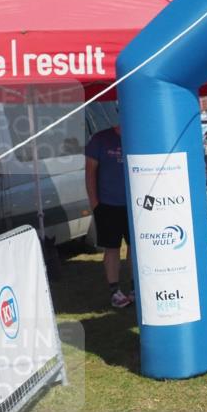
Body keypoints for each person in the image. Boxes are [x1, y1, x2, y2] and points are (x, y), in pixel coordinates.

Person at [85, 125, 133, 309]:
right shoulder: (100, 139)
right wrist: (95, 203)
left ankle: (135, 287)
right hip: (107, 205)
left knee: (135, 248)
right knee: (112, 249)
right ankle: (115, 291)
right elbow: (90, 172)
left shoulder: (137, 133)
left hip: (134, 205)